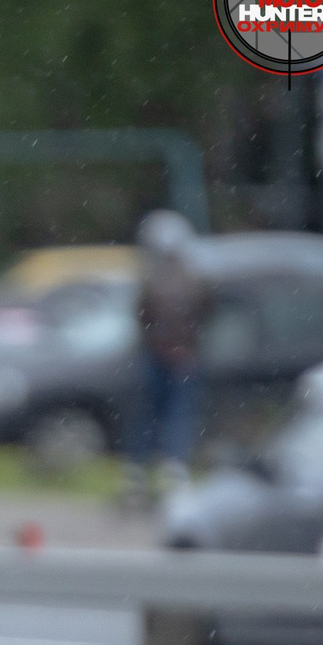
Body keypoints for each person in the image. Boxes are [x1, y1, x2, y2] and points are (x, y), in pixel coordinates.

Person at [131, 209, 213, 505]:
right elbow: (206, 313)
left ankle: (140, 472)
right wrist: (186, 345)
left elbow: (141, 316)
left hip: (157, 356)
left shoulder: (152, 280)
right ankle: (173, 469)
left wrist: (157, 343)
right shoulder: (193, 278)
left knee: (152, 415)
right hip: (184, 359)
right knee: (178, 415)